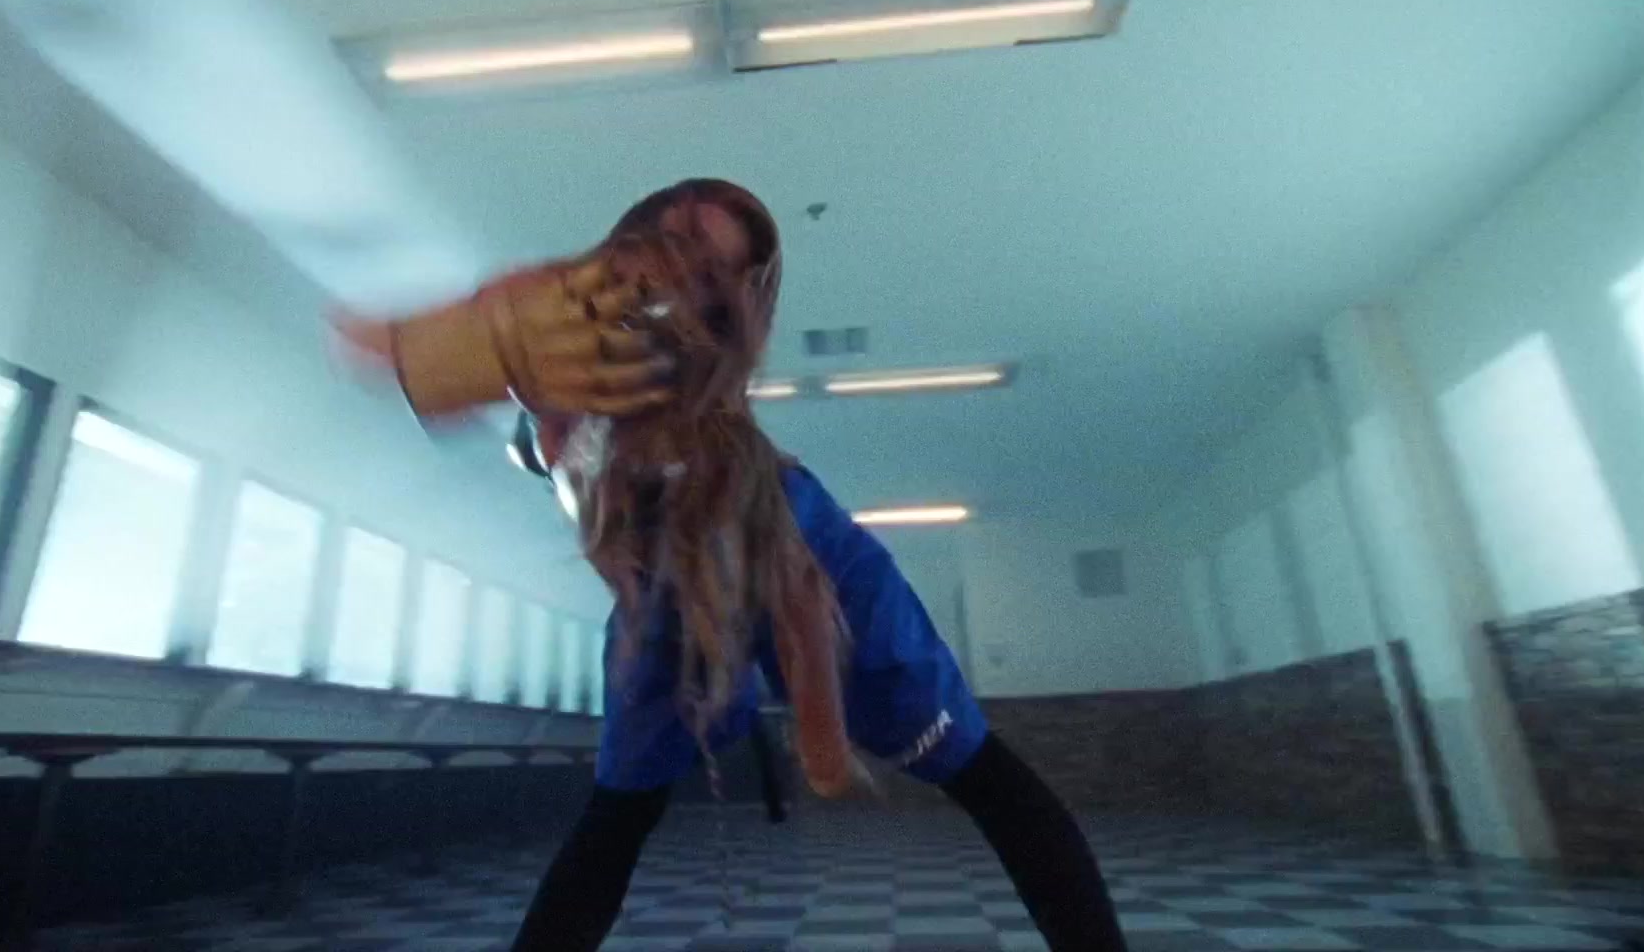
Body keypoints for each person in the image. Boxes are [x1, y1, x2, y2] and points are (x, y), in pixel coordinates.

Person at [334, 179, 1127, 952]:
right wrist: (467, 343)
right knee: (620, 807)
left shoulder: (712, 415)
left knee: (980, 771)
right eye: (678, 235)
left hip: (796, 543)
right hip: (665, 580)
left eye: (716, 268)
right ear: (639, 229)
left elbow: (795, 585)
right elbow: (369, 346)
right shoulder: (550, 310)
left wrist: (822, 727)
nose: (686, 266)